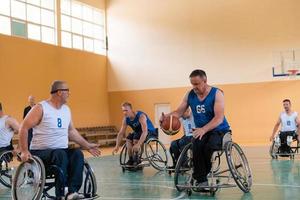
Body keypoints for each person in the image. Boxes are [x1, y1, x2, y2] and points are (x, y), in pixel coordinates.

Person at [19, 80, 101, 200]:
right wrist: (24, 151)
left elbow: (71, 132)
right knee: (61, 154)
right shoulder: (40, 108)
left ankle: (72, 192)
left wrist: (87, 145)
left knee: (77, 153)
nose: (69, 94)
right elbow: (23, 128)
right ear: (59, 92)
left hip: (60, 151)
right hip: (41, 153)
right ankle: (60, 194)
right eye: (67, 91)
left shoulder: (66, 110)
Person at [160, 69, 230, 188]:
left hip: (219, 130)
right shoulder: (190, 94)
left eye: (197, 84)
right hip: (201, 131)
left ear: (205, 80)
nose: (194, 87)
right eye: (192, 84)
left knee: (209, 146)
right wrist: (166, 117)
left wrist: (203, 129)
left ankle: (202, 174)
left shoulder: (217, 93)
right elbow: (179, 112)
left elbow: (218, 118)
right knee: (196, 146)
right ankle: (201, 180)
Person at [112, 102, 157, 166]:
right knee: (128, 139)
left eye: (126, 110)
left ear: (131, 110)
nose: (124, 112)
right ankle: (131, 159)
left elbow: (145, 132)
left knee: (136, 140)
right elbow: (121, 133)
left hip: (149, 131)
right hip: (138, 132)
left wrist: (138, 144)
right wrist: (117, 146)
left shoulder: (141, 116)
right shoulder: (126, 119)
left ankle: (137, 158)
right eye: (123, 111)